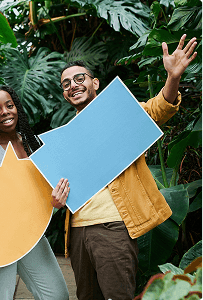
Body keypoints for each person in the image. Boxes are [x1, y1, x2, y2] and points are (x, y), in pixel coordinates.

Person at [59, 34, 198, 300]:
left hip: (113, 225)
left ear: (94, 82)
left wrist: (173, 77)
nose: (73, 85)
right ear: (64, 94)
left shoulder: (120, 114)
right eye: (66, 84)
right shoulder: (65, 137)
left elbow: (158, 110)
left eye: (79, 78)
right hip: (76, 231)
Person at [0, 83, 70, 300]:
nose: (4, 112)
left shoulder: (33, 146)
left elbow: (43, 195)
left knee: (57, 295)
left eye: (9, 105)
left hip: (30, 235)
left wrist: (55, 203)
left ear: (17, 108)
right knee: (0, 297)